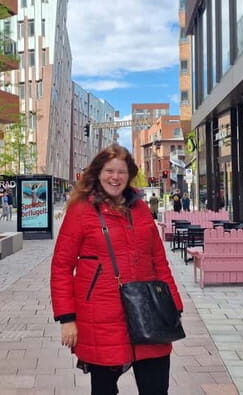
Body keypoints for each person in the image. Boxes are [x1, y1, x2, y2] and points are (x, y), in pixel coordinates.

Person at [51, 144, 184, 395]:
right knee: (104, 390)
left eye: (121, 171)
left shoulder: (141, 208)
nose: (115, 177)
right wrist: (67, 318)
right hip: (101, 316)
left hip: (148, 311)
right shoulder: (81, 210)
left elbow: (158, 260)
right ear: (98, 173)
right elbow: (61, 266)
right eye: (109, 170)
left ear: (130, 174)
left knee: (156, 389)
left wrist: (173, 305)